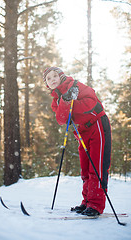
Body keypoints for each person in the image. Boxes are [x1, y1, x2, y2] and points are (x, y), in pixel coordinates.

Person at [43, 67, 111, 217]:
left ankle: (96, 204)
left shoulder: (76, 86)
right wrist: (66, 101)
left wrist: (71, 102)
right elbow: (61, 119)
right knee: (85, 170)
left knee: (97, 166)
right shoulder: (57, 100)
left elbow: (91, 102)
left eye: (55, 76)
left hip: (97, 125)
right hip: (81, 132)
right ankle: (87, 201)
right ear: (47, 84)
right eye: (48, 78)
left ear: (61, 76)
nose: (52, 79)